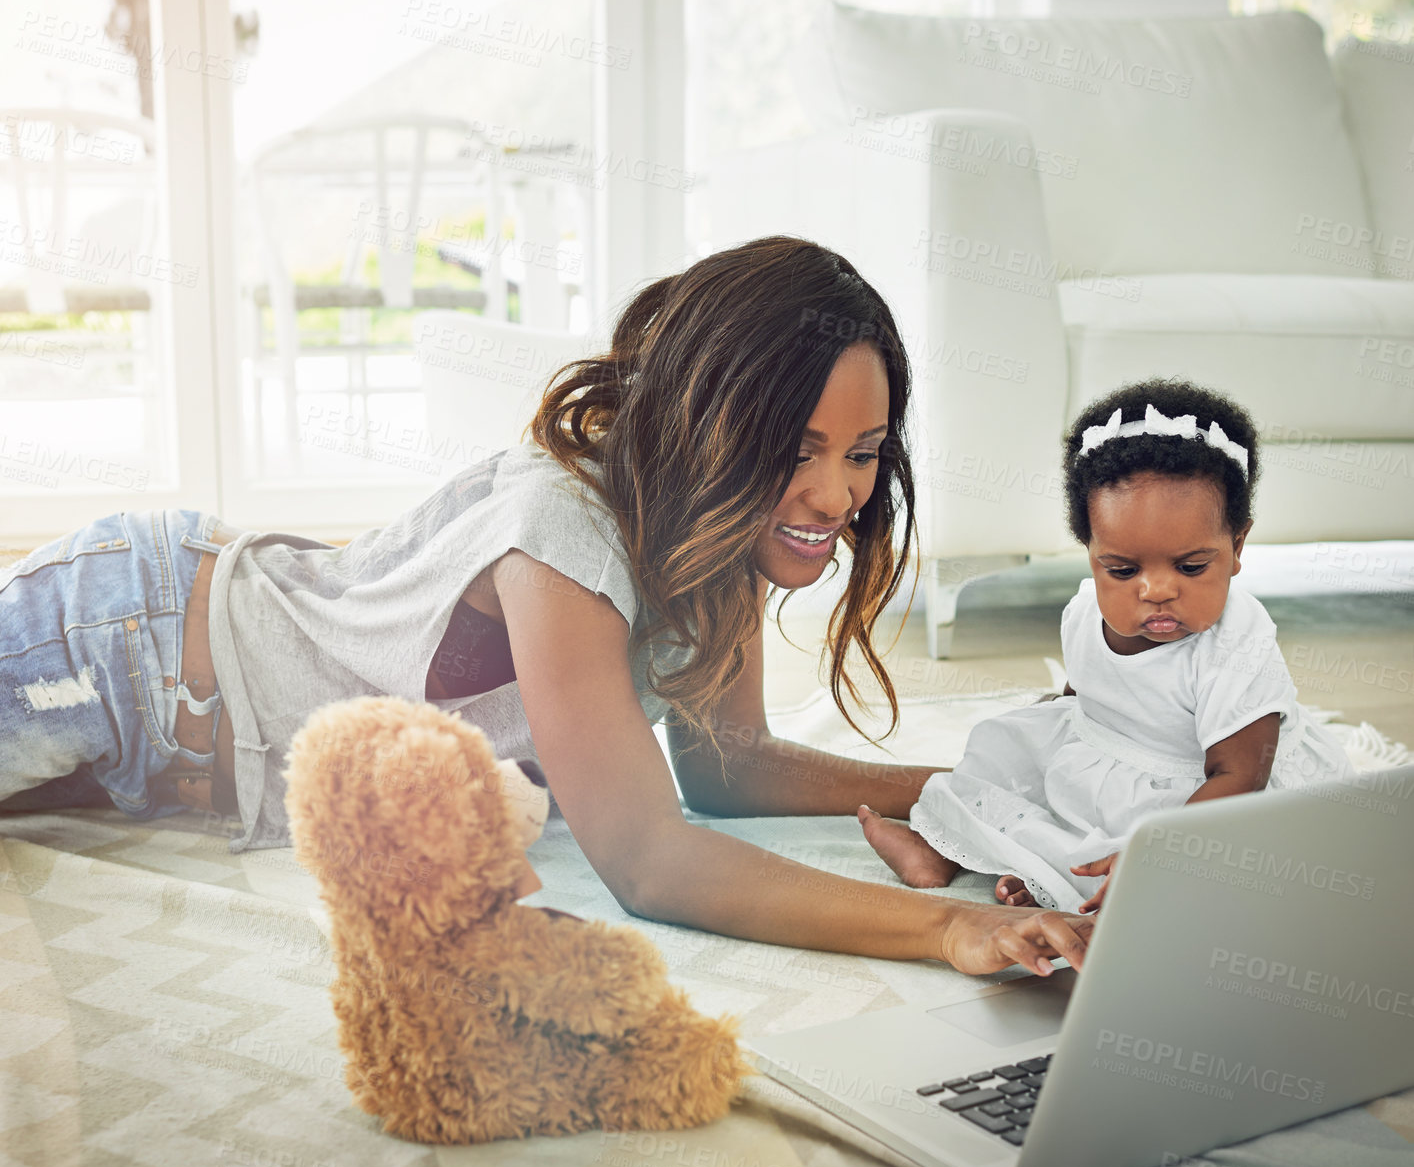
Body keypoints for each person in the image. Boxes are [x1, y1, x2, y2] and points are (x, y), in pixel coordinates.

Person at [0, 236, 1094, 977]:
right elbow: (649, 856)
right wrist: (950, 926)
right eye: (794, 451)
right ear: (713, 426)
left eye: (860, 454)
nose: (834, 496)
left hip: (165, 756)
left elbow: (731, 765)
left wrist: (978, 790)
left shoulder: (717, 534)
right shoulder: (560, 531)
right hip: (119, 644)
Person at [859, 378, 1352, 915]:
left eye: (1191, 567)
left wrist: (1157, 850)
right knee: (1000, 756)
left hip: (1203, 799)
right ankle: (944, 850)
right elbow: (1087, 686)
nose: (1157, 590)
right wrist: (1054, 722)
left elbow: (1241, 777)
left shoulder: (1237, 641)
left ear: (1237, 547)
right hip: (1110, 762)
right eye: (1122, 569)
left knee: (1189, 886)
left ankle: (1050, 872)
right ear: (1091, 553)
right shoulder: (1084, 610)